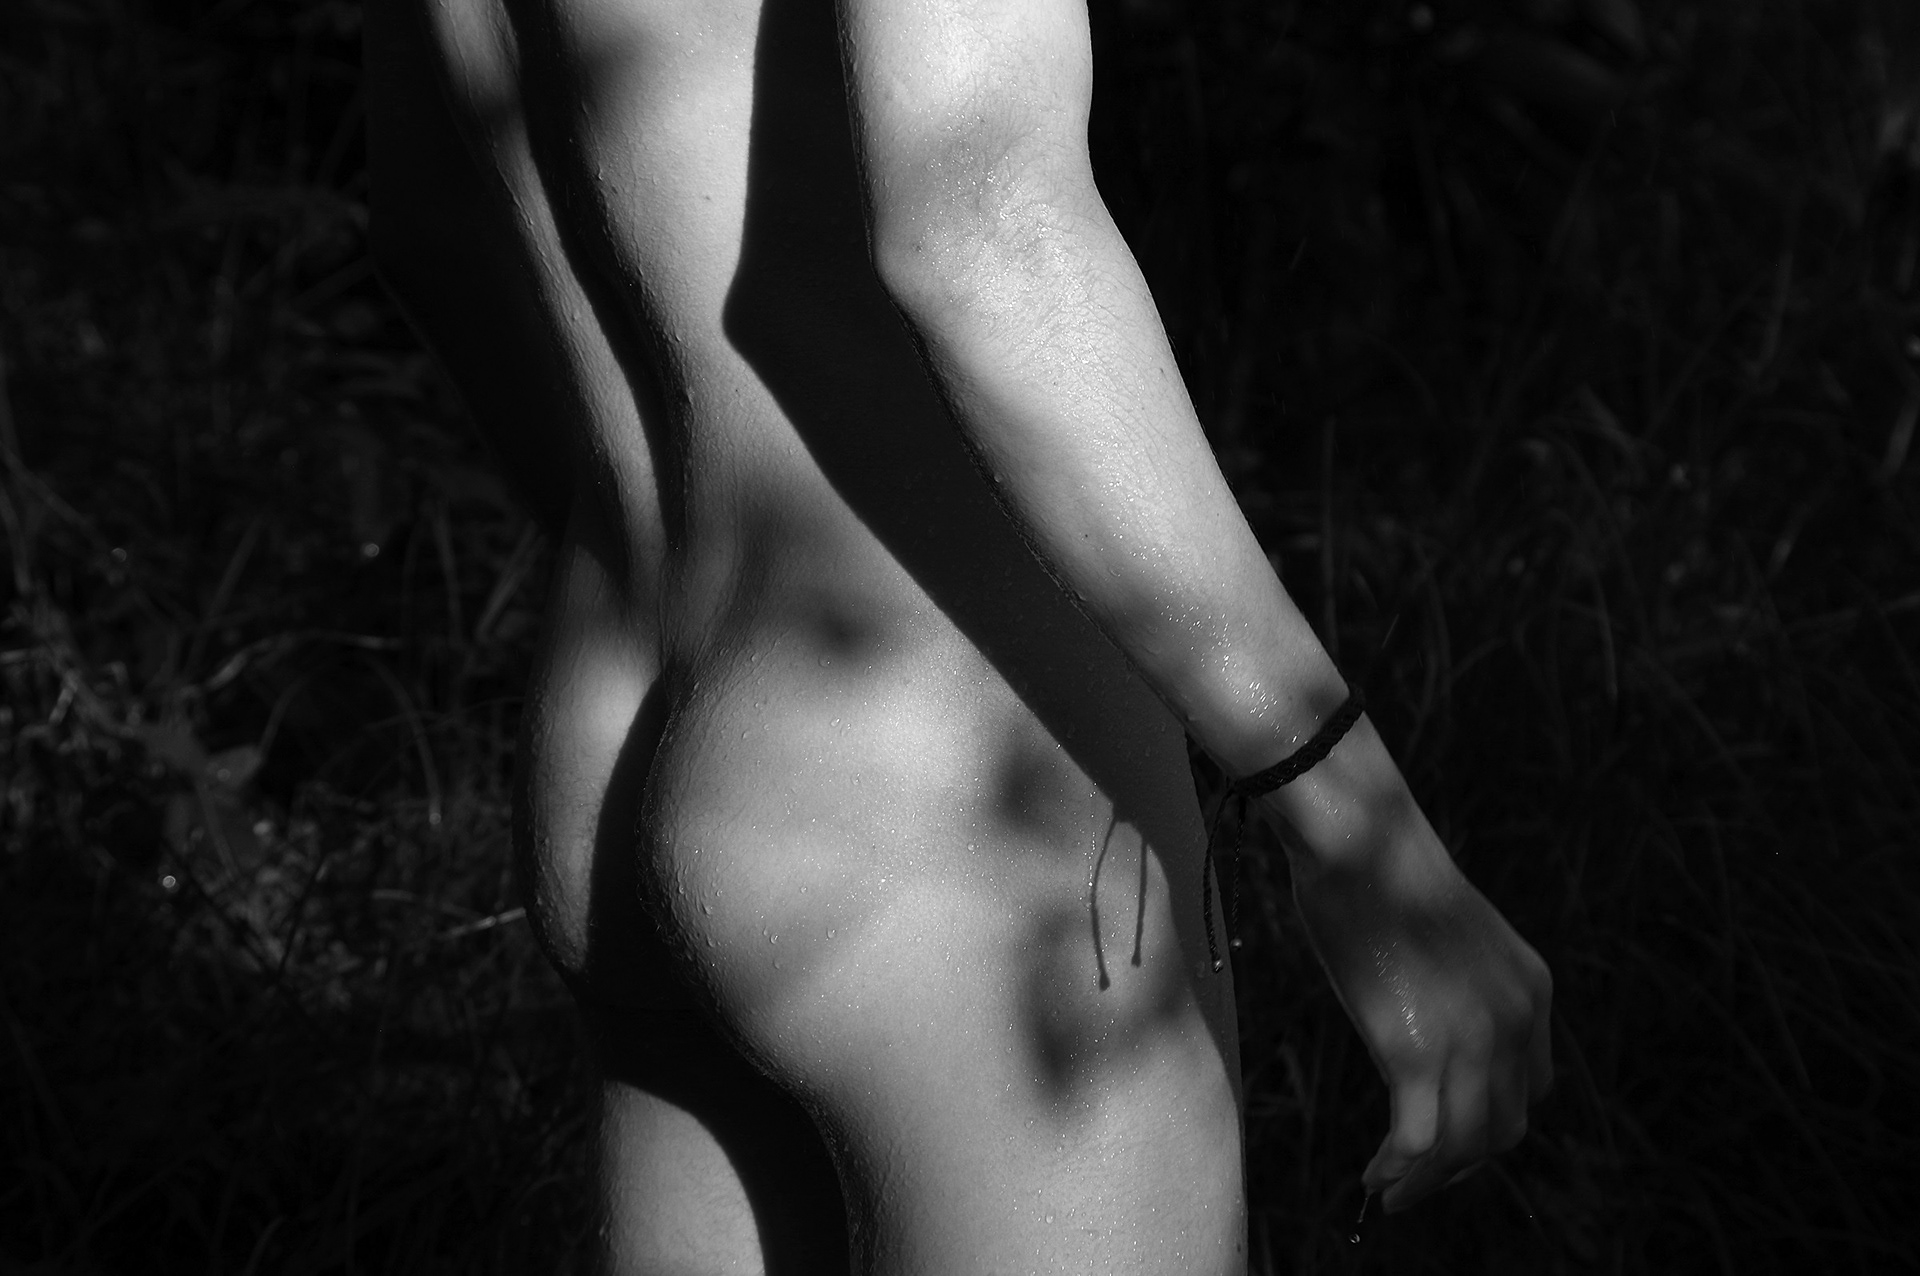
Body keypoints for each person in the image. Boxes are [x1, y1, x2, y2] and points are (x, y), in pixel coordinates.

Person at [363, 0, 1553, 1270]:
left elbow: (430, 225)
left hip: (613, 714)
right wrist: (1355, 827)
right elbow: (980, 222)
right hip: (936, 775)